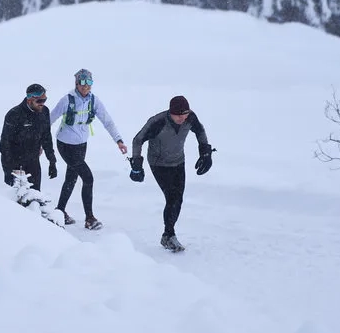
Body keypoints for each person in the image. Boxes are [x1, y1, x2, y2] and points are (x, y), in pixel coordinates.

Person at [129, 95, 215, 252]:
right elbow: (137, 139)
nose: (182, 118)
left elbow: (200, 131)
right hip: (158, 163)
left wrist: (205, 152)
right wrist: (136, 164)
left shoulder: (190, 117)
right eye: (178, 115)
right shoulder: (158, 122)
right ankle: (169, 235)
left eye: (185, 114)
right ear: (171, 113)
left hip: (178, 161)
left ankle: (168, 235)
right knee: (172, 198)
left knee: (178, 199)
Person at [49, 68, 127, 230]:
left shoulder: (94, 101)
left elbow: (108, 121)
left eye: (89, 82)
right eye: (82, 82)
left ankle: (59, 211)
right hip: (65, 144)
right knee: (88, 178)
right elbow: (50, 119)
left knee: (72, 178)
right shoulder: (67, 100)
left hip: (81, 145)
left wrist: (118, 140)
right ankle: (89, 218)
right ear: (77, 84)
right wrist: (40, 143)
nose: (85, 86)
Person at [0, 83, 57, 192]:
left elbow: (46, 137)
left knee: (35, 197)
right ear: (29, 99)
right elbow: (4, 144)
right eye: (39, 101)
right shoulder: (14, 115)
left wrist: (52, 161)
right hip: (16, 164)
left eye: (44, 100)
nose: (42, 104)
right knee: (19, 201)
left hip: (33, 162)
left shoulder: (44, 112)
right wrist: (8, 171)